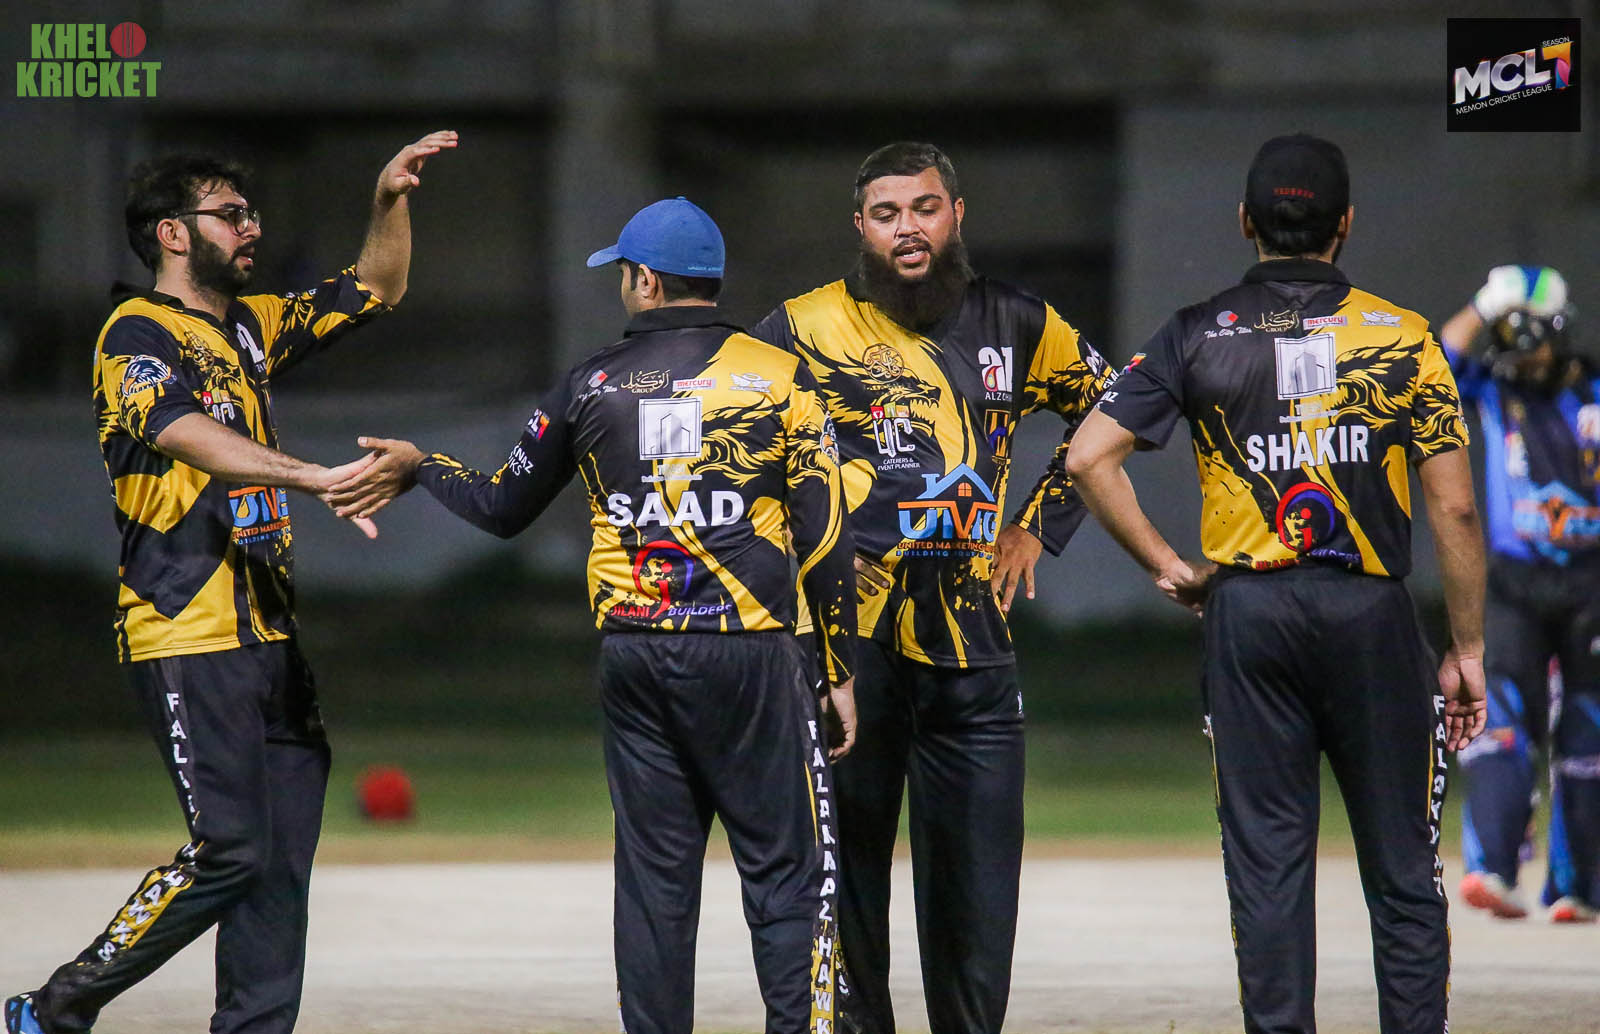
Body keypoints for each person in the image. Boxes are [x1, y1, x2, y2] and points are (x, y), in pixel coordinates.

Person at [324, 197, 860, 1034]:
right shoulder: (781, 378)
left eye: (623, 273)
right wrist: (839, 669)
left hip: (636, 659)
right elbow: (826, 539)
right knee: (789, 877)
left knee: (654, 884)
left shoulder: (592, 383)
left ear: (645, 281)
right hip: (752, 657)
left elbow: (501, 506)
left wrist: (424, 465)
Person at [3, 131, 458, 1034]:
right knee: (230, 851)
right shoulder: (134, 333)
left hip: (270, 639)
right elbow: (177, 428)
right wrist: (310, 475)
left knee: (278, 864)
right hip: (186, 626)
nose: (252, 228)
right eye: (231, 214)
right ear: (172, 233)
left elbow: (374, 288)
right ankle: (52, 1010)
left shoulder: (247, 326)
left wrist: (388, 199)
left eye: (251, 213)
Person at [1064, 134, 1487, 1034]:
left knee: (1267, 867)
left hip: (1248, 616)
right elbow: (1453, 510)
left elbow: (1088, 455)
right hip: (1371, 616)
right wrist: (1468, 647)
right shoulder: (1404, 336)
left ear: (1245, 222)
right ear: (1346, 225)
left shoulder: (1197, 330)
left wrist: (1168, 565)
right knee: (1403, 867)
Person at [747, 142, 1113, 1034]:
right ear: (860, 228)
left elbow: (1114, 404)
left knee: (979, 894)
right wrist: (786, 562)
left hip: (971, 648)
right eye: (886, 214)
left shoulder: (1017, 320)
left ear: (957, 214)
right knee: (845, 884)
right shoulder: (797, 328)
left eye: (923, 208)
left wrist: (1039, 524)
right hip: (846, 651)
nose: (907, 229)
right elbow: (733, 440)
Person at [1439, 265, 1600, 923]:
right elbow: (1437, 362)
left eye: (1527, 333)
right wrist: (1485, 304)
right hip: (1513, 584)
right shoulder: (1493, 386)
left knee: (1587, 738)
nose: (1517, 349)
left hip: (1590, 584)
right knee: (1500, 723)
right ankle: (1493, 869)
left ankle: (1577, 886)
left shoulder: (1593, 390)